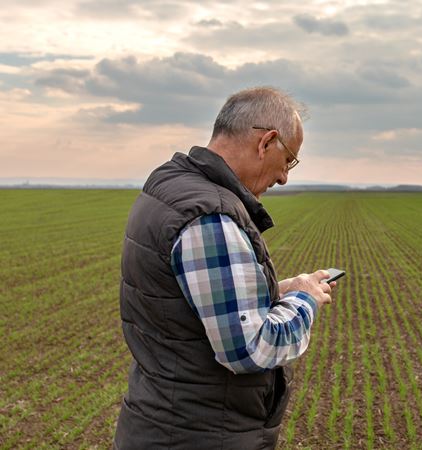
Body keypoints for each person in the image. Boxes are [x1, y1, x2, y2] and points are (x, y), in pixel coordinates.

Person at [113, 87, 335, 449]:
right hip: (198, 434)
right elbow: (250, 348)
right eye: (289, 160)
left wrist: (280, 290)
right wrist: (305, 299)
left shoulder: (171, 187)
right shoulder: (209, 216)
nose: (284, 178)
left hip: (162, 420)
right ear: (267, 142)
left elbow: (189, 304)